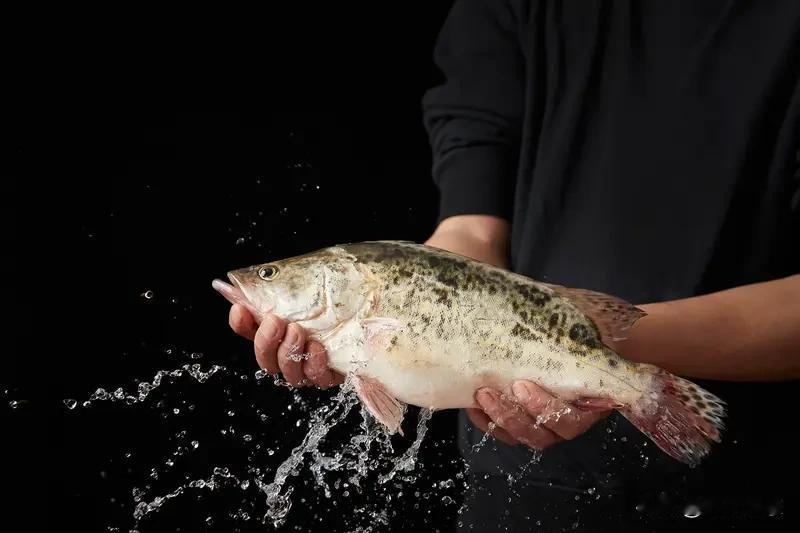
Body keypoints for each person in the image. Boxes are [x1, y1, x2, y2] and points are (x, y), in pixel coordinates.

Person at [227, 1, 800, 530]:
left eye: (273, 274)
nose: (261, 279)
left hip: (758, 488)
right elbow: (471, 229)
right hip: (522, 485)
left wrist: (591, 347)